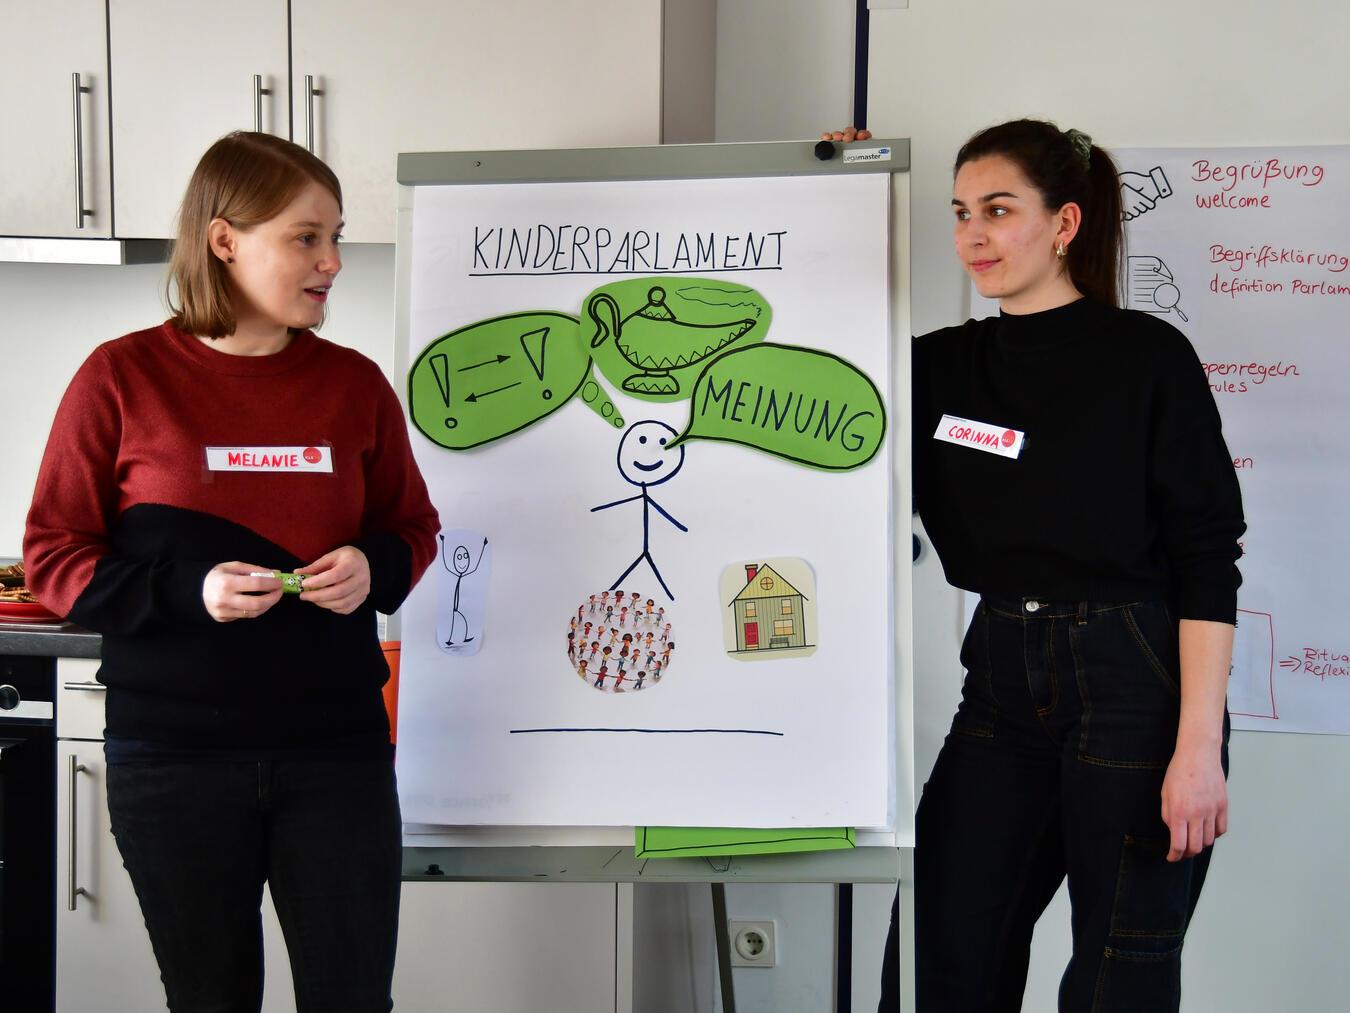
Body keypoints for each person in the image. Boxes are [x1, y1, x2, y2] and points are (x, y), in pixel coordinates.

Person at [24, 131, 440, 1013]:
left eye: (336, 236)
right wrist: (189, 591)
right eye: (307, 237)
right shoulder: (120, 378)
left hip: (337, 753)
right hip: (173, 758)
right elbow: (55, 555)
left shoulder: (355, 385)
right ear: (224, 241)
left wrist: (375, 563)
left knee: (354, 999)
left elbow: (413, 524)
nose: (333, 260)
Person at [833, 119, 1244, 1012]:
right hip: (1004, 679)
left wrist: (1198, 747)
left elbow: (1209, 559)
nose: (972, 234)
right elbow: (818, 360)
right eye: (959, 213)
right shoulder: (936, 369)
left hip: (1136, 678)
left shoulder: (1147, 359)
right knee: (943, 953)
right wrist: (837, 186)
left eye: (998, 209)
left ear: (1063, 224)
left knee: (1115, 975)